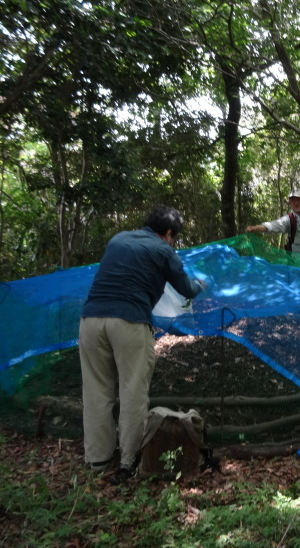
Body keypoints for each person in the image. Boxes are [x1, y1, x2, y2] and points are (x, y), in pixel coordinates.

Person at [79, 206, 205, 484]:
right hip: (129, 322)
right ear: (169, 234)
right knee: (133, 391)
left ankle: (97, 460)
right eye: (174, 237)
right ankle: (128, 461)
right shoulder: (163, 251)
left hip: (90, 320)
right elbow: (185, 288)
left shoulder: (119, 239)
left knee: (97, 393)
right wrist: (200, 285)